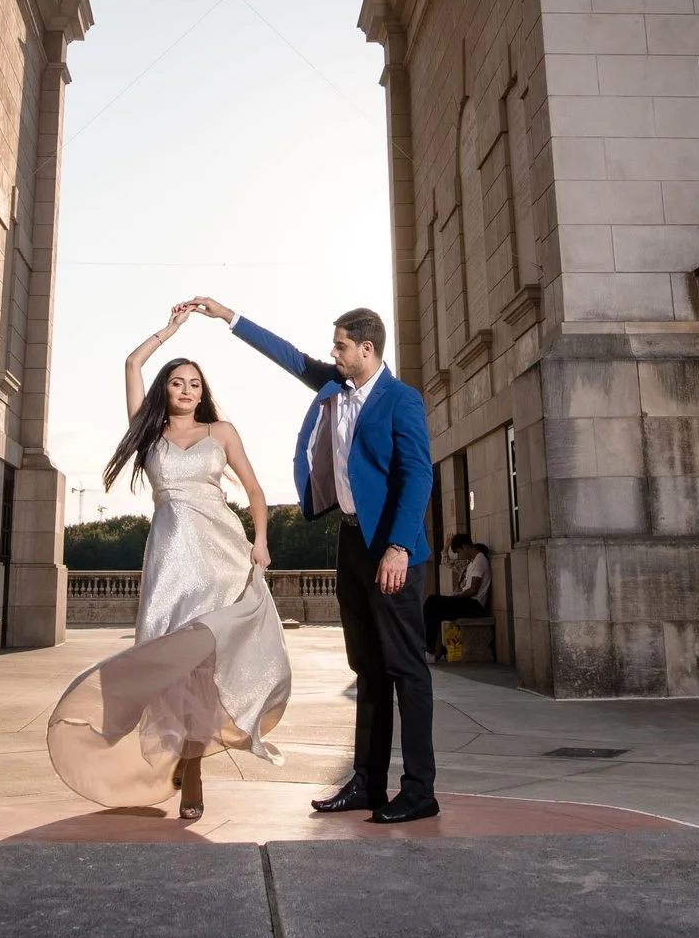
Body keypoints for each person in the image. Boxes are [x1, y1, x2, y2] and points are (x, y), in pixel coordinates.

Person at [184, 296, 440, 824]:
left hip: (391, 549)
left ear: (367, 349)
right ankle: (368, 784)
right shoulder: (336, 385)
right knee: (368, 669)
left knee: (406, 669)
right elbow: (291, 356)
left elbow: (418, 475)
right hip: (349, 543)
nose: (334, 353)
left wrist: (399, 547)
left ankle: (419, 790)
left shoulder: (401, 399)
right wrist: (230, 316)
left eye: (342, 346)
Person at [45, 305, 289, 822]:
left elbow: (254, 489)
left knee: (202, 663)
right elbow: (133, 363)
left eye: (195, 384)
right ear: (166, 389)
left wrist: (261, 540)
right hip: (169, 561)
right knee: (167, 662)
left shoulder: (221, 432)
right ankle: (178, 752)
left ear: (204, 393)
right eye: (178, 382)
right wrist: (171, 331)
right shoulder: (149, 434)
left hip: (220, 555)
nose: (186, 390)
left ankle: (194, 769)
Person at [423, 533, 492, 660]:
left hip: (474, 605)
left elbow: (473, 590)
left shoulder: (479, 560)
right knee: (432, 609)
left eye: (459, 551)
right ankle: (432, 649)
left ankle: (430, 649)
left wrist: (455, 597)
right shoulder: (471, 562)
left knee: (433, 601)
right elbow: (449, 563)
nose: (460, 555)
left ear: (465, 547)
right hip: (467, 602)